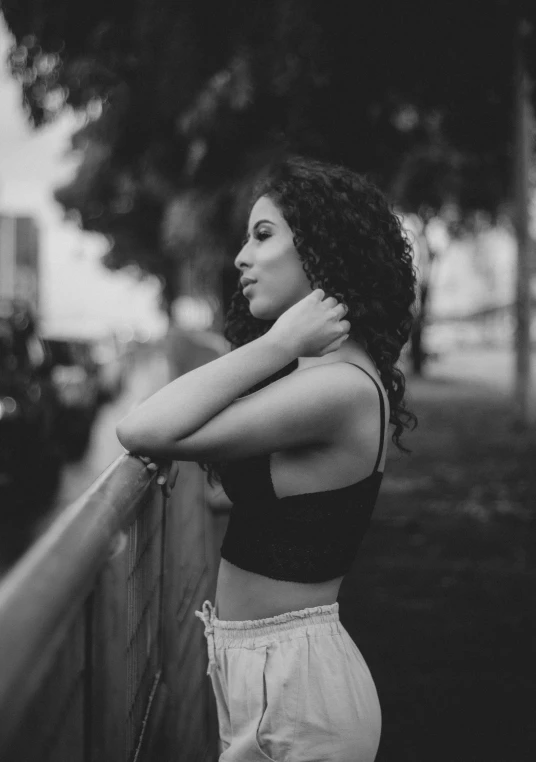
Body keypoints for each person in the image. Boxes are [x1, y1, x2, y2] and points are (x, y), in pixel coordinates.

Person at [117, 155, 417, 761]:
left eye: (263, 235)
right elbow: (217, 478)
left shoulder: (337, 389)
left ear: (320, 248)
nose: (240, 260)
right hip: (270, 676)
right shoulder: (320, 381)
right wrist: (279, 351)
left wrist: (278, 342)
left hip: (299, 692)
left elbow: (141, 426)